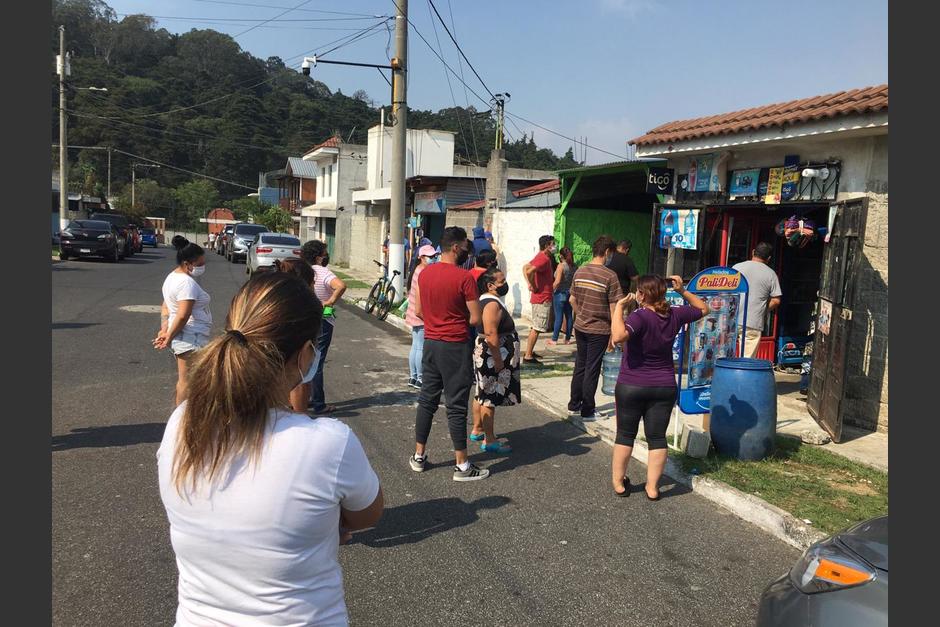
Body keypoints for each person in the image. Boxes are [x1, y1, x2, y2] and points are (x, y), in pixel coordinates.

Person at [158, 272, 383, 626]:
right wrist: (320, 520)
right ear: (306, 354)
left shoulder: (182, 423)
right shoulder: (327, 443)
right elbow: (366, 516)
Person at [609, 275, 708, 499]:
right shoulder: (674, 314)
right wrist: (682, 290)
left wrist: (619, 308)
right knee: (657, 437)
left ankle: (619, 483)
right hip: (663, 385)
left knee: (625, 434)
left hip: (632, 384)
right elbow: (703, 309)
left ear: (641, 295)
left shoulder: (639, 316)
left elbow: (617, 336)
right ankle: (652, 488)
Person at [410, 226, 488, 482]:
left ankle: (419, 456)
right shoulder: (464, 278)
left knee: (427, 400)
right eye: (465, 246)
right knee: (455, 406)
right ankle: (462, 465)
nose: (468, 251)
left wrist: (437, 320)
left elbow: (419, 311)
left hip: (431, 343)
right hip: (455, 345)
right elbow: (476, 317)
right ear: (456, 247)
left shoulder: (424, 274)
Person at [567, 235, 622, 420]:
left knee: (580, 366)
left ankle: (574, 404)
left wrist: (581, 313)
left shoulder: (580, 271)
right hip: (599, 329)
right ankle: (588, 410)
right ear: (607, 252)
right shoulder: (610, 276)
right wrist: (615, 334)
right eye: (611, 254)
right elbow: (615, 307)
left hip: (580, 326)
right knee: (592, 368)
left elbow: (572, 300)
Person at [154, 236, 210, 406]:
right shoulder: (186, 283)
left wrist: (165, 329)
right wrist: (168, 335)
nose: (202, 267)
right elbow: (183, 315)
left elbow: (166, 306)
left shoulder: (172, 277)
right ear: (188, 264)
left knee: (186, 380)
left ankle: (183, 417)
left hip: (184, 335)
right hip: (191, 337)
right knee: (188, 382)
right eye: (199, 264)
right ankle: (183, 419)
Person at [470, 267, 519, 455]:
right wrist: (498, 360)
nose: (504, 283)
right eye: (502, 281)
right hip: (492, 356)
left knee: (480, 392)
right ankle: (489, 440)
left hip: (488, 354)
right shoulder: (491, 304)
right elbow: (491, 334)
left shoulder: (484, 300)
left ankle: (478, 429)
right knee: (489, 397)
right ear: (490, 285)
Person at [301, 240, 347, 414]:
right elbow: (341, 285)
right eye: (325, 253)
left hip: (305, 317)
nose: (326, 256)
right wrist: (330, 301)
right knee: (317, 361)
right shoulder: (322, 271)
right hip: (323, 316)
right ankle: (319, 403)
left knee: (304, 359)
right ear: (319, 257)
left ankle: (304, 398)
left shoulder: (302, 270)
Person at [273, 258, 320, 412]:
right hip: (294, 359)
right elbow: (301, 379)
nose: (314, 286)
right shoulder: (304, 304)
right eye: (312, 282)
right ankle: (299, 415)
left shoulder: (273, 296)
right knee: (301, 381)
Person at [733, 242, 782, 358]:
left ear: (753, 252)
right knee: (746, 360)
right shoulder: (771, 274)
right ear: (769, 258)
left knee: (727, 355)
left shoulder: (736, 267)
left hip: (732, 318)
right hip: (753, 322)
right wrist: (762, 310)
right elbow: (776, 301)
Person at [405, 244, 438, 389]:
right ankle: (419, 378)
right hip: (420, 313)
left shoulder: (417, 270)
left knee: (415, 346)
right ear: (422, 258)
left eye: (434, 256)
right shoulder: (422, 272)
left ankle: (413, 376)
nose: (433, 258)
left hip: (414, 312)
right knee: (420, 348)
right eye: (430, 257)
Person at [522, 235, 556, 363]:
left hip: (540, 296)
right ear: (547, 245)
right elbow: (529, 271)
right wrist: (533, 285)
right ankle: (528, 356)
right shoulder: (544, 259)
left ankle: (529, 351)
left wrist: (529, 283)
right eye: (553, 244)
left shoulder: (541, 257)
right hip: (542, 297)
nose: (554, 247)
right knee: (537, 328)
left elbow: (525, 267)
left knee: (536, 327)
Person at [548, 246, 577, 346]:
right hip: (570, 293)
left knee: (559, 316)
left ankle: (554, 339)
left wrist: (549, 291)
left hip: (560, 293)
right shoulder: (574, 266)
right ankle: (567, 339)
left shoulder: (561, 266)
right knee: (569, 316)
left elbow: (557, 282)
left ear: (561, 255)